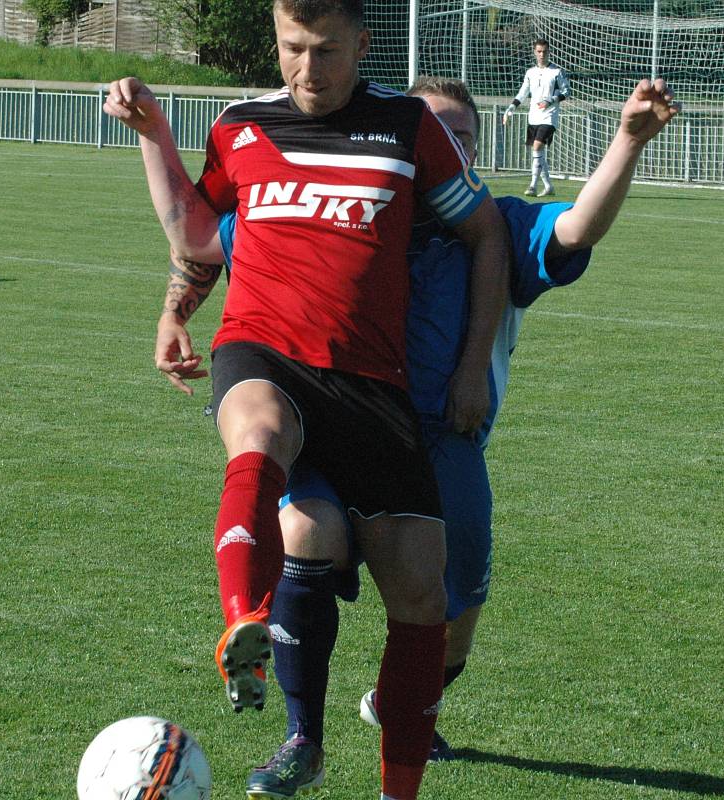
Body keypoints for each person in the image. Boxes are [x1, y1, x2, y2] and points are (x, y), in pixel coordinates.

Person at [183, 76, 680, 798]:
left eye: (464, 141)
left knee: (452, 608)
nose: (450, 152)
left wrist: (628, 141)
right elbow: (216, 236)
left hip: (440, 439)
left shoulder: (497, 227)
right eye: (439, 138)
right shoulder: (335, 201)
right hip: (323, 426)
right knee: (305, 534)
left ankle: (404, 707)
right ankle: (301, 736)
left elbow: (574, 229)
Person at [103, 2, 510, 799]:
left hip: (373, 385)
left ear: (362, 44)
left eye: (326, 52)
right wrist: (155, 142)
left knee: (422, 590)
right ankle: (244, 619)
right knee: (258, 432)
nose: (307, 70)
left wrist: (472, 369)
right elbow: (199, 234)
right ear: (275, 42)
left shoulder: (407, 127)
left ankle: (398, 790)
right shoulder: (239, 124)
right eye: (293, 49)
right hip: (261, 349)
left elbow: (485, 233)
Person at [503, 38, 571, 197]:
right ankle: (548, 186)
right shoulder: (530, 72)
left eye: (545, 51)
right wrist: (511, 107)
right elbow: (523, 93)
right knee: (538, 154)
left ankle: (533, 186)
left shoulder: (557, 72)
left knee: (537, 147)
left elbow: (567, 91)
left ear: (549, 52)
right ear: (535, 52)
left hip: (549, 117)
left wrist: (551, 100)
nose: (542, 54)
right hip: (533, 117)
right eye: (539, 51)